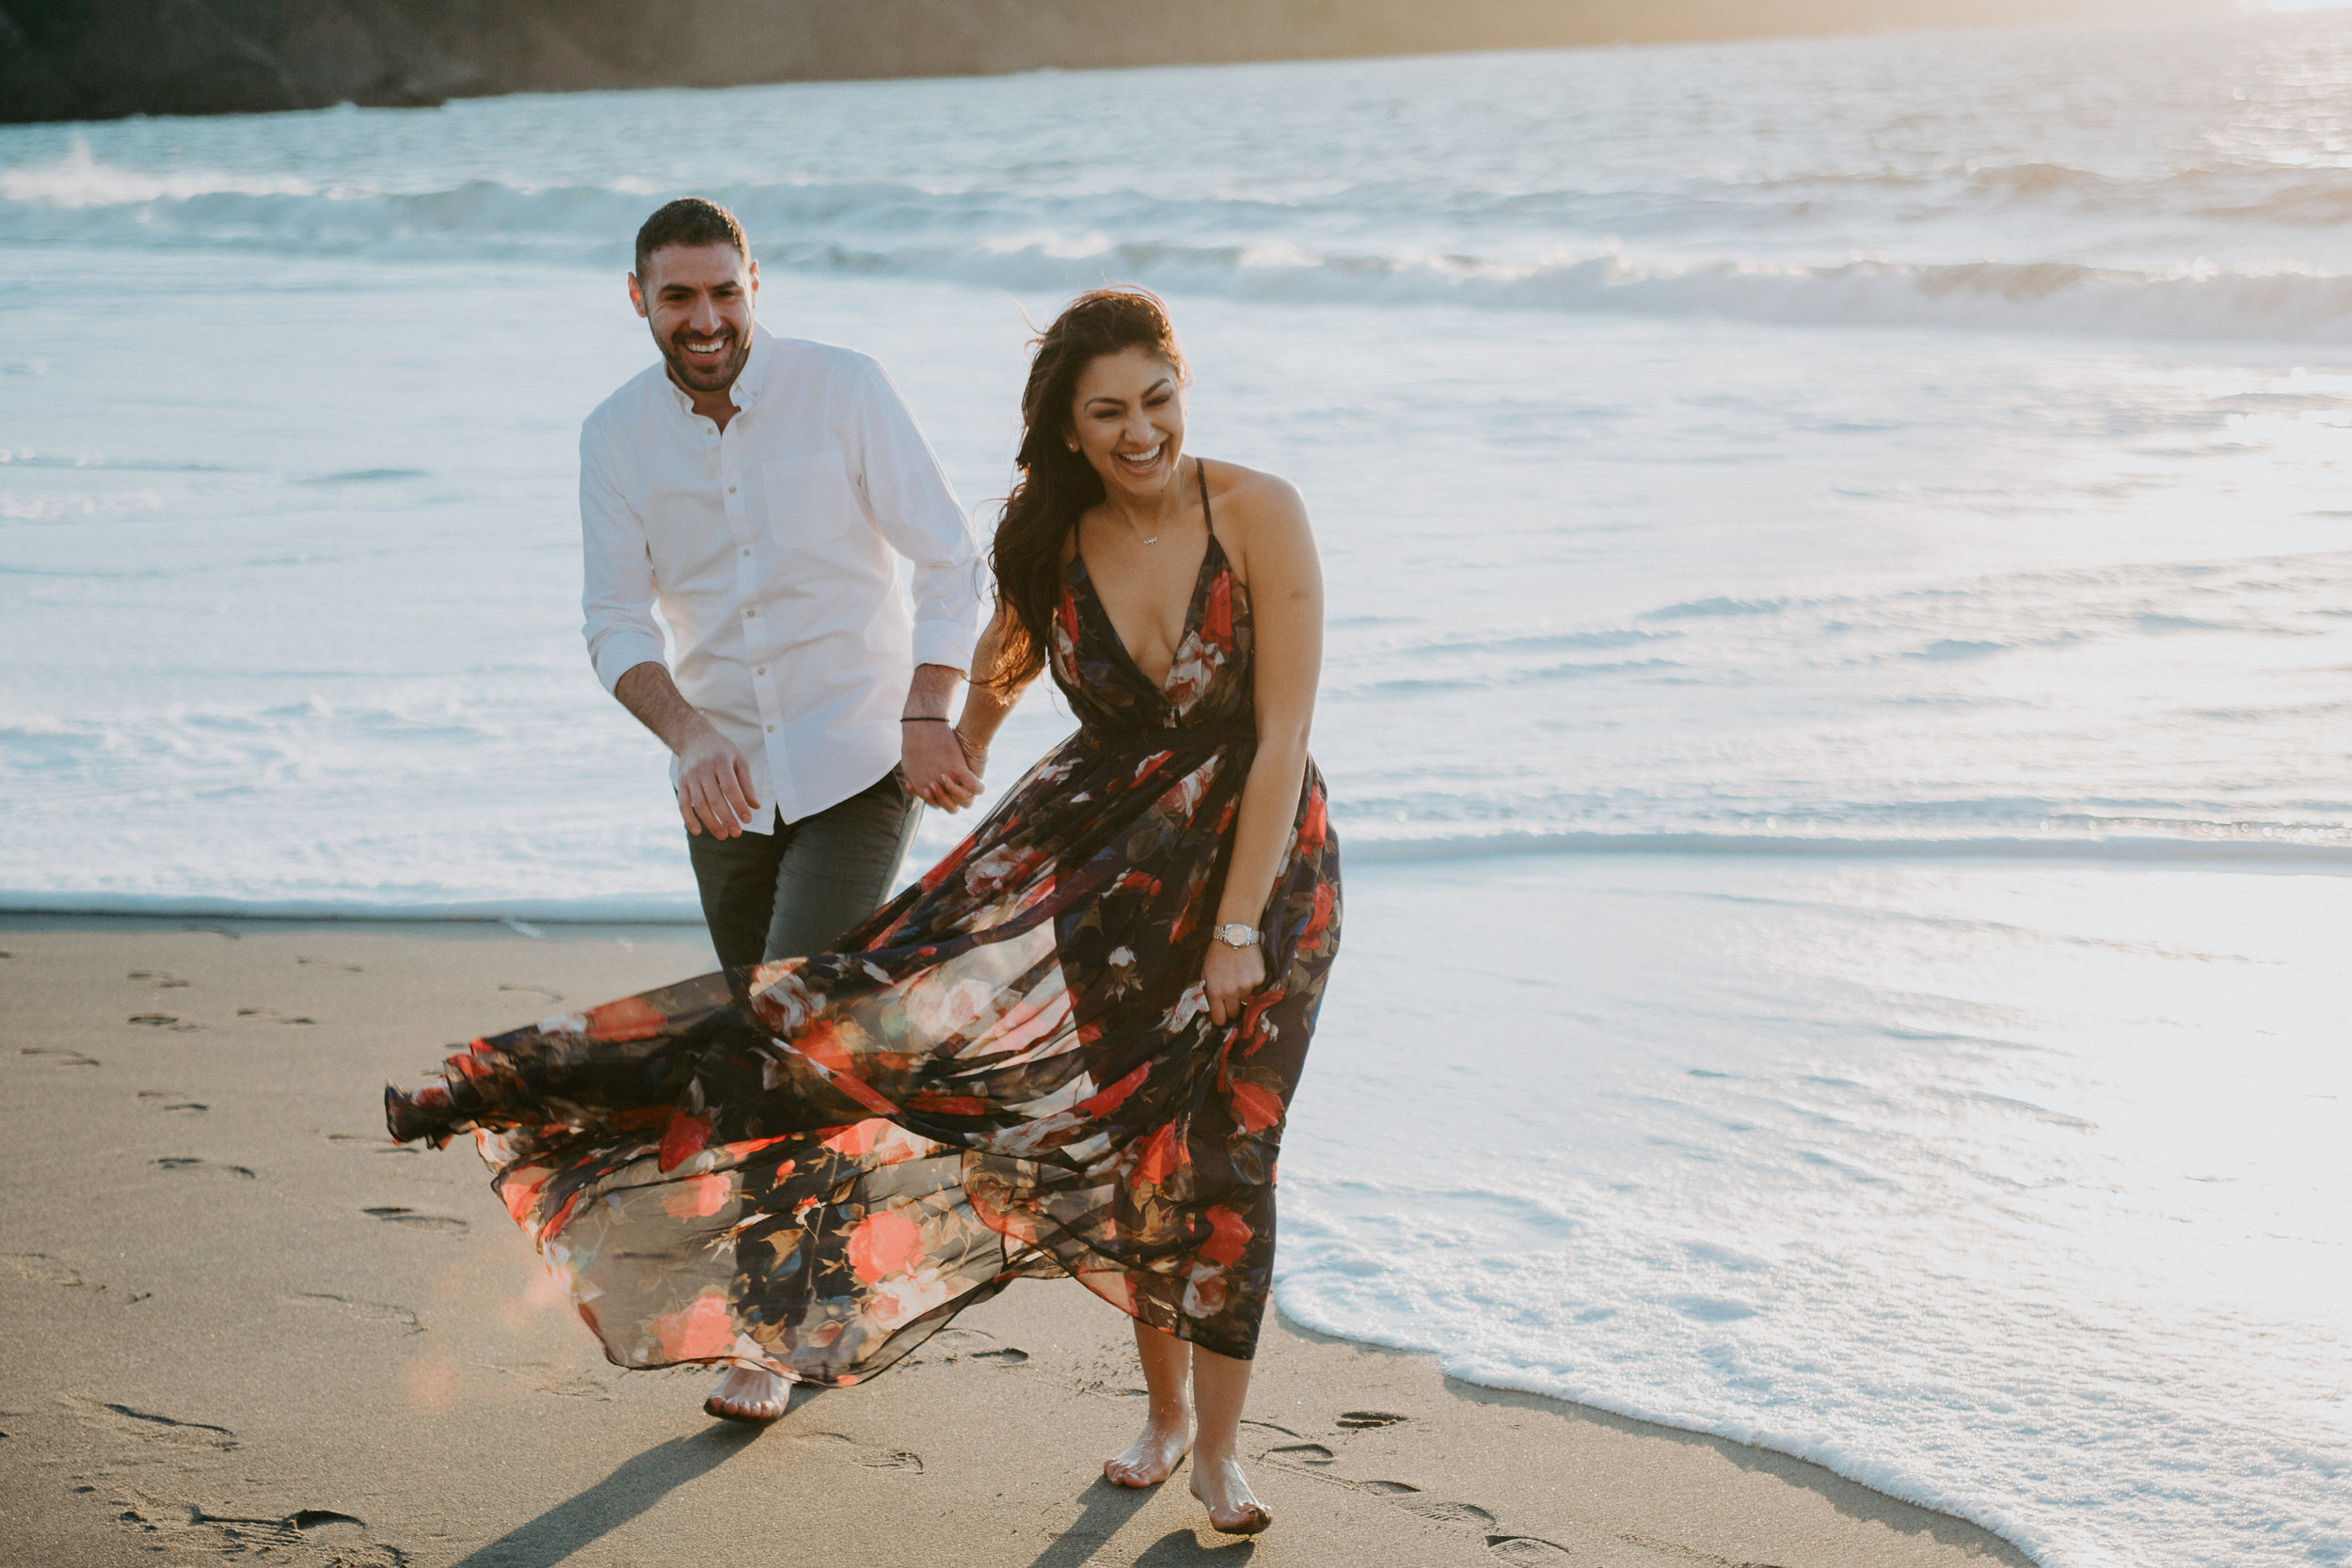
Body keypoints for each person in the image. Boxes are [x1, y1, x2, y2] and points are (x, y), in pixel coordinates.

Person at [388, 289, 1341, 1538]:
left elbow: (1282, 735)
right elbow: (1004, 649)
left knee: (1231, 1150)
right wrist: (956, 741)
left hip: (1266, 872)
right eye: (1106, 411)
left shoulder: (1260, 510)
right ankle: (1162, 1416)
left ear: (1184, 385)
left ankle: (1220, 1451)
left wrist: (1235, 931)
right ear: (1065, 426)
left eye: (1157, 399)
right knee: (1120, 1139)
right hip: (1105, 872)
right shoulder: (1052, 537)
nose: (1140, 429)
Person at [582, 197, 988, 974]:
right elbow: (614, 619)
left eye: (725, 292)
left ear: (755, 285)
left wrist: (928, 708)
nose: (707, 319)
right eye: (677, 297)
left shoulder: (847, 387)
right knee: (758, 1024)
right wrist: (689, 736)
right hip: (721, 786)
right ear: (638, 297)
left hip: (862, 759)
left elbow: (951, 557)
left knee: (792, 1004)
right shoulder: (613, 435)